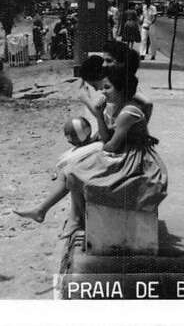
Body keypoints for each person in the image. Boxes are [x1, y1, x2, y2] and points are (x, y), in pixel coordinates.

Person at [13, 65, 167, 233]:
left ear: (121, 89)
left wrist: (94, 148)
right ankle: (42, 210)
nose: (103, 91)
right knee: (70, 170)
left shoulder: (129, 112)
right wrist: (99, 115)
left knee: (75, 172)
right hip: (124, 154)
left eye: (107, 87)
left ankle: (70, 218)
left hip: (136, 162)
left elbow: (111, 145)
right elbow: (107, 139)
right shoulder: (116, 107)